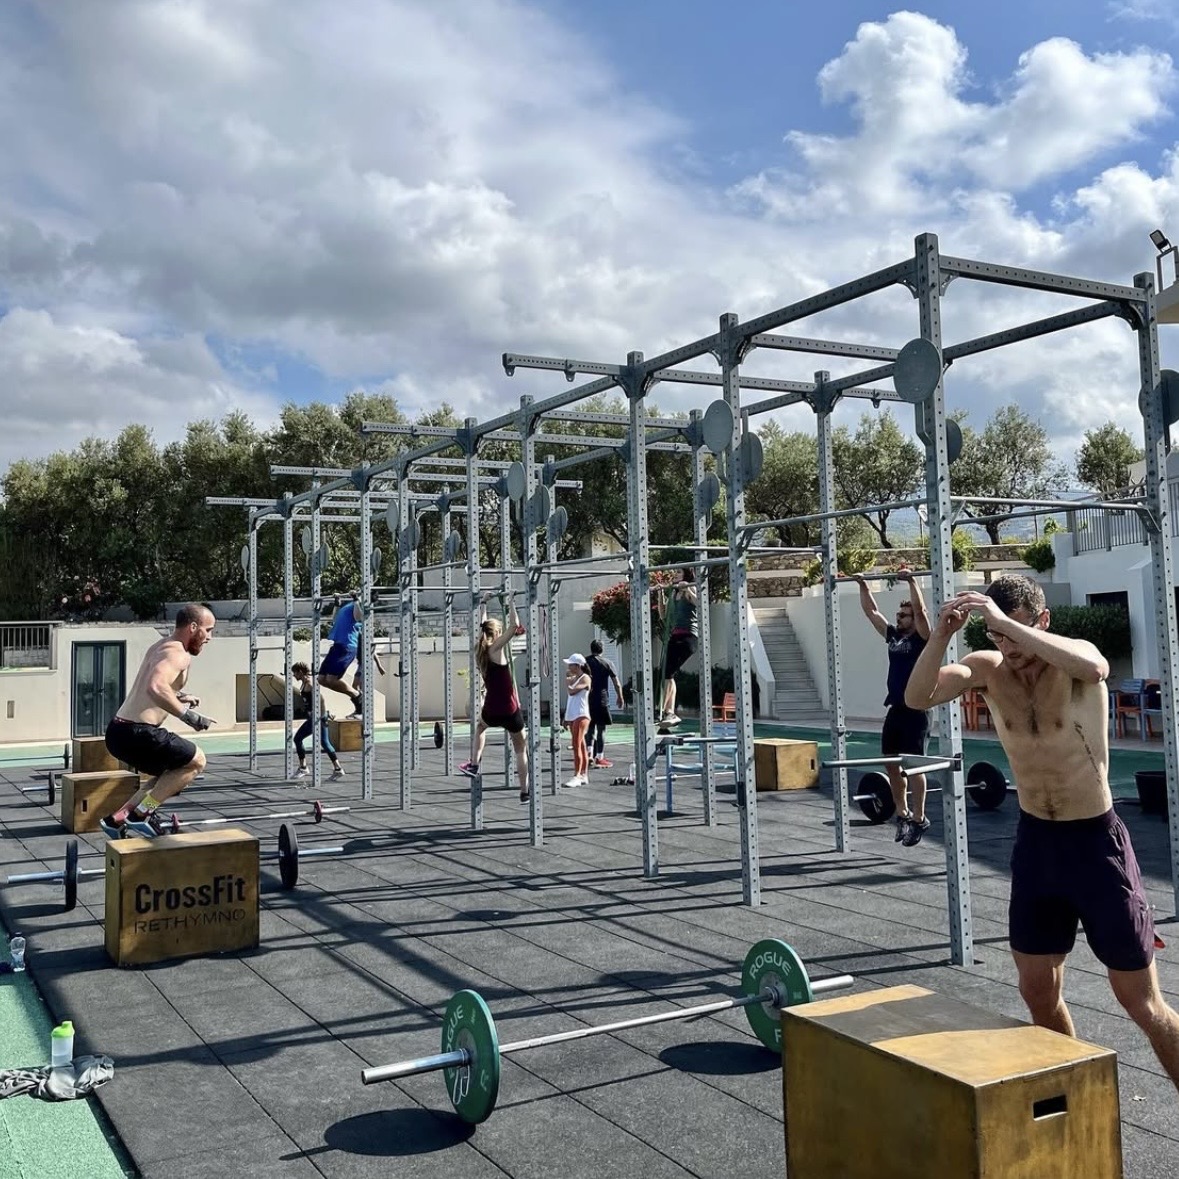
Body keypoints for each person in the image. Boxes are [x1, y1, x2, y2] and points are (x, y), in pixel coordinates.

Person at [905, 574, 1179, 1091]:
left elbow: (1095, 667)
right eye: (997, 636)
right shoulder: (989, 669)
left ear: (1042, 621)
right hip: (1037, 845)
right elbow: (919, 697)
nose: (1008, 647)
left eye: (1014, 632)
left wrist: (1006, 623)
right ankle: (1077, 1103)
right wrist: (940, 635)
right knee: (1037, 993)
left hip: (1095, 844)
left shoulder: (1074, 663)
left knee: (1141, 1003)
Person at [99, 603, 217, 839]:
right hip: (138, 732)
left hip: (118, 731)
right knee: (196, 761)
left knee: (170, 775)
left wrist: (181, 695)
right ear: (193, 627)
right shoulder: (178, 654)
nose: (209, 638)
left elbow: (153, 686)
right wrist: (188, 715)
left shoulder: (161, 646)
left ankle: (117, 819)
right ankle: (143, 813)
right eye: (208, 630)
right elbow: (155, 687)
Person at [855, 569, 932, 846]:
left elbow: (921, 611)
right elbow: (871, 612)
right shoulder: (893, 637)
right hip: (896, 709)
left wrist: (912, 581)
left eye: (904, 616)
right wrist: (863, 584)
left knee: (914, 767)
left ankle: (920, 818)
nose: (899, 618)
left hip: (917, 710)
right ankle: (903, 814)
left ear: (913, 620)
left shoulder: (922, 638)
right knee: (891, 764)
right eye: (898, 615)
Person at [462, 597, 530, 802]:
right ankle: (525, 791)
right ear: (497, 633)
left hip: (491, 709)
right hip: (509, 709)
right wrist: (512, 601)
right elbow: (515, 626)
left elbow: (481, 625)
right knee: (521, 749)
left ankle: (474, 763)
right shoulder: (495, 649)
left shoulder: (480, 649)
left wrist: (483, 603)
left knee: (480, 728)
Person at [655, 569, 698, 726]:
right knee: (666, 673)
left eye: (679, 572)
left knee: (668, 673)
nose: (675, 575)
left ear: (686, 574)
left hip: (688, 636)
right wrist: (660, 594)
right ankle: (668, 712)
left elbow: (699, 604)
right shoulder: (673, 593)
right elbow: (663, 615)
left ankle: (667, 711)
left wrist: (687, 589)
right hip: (675, 636)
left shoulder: (690, 588)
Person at [291, 662, 345, 782]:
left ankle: (303, 768)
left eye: (294, 673)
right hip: (318, 717)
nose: (294, 676)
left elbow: (321, 699)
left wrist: (321, 714)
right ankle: (338, 769)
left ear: (300, 672)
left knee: (298, 739)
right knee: (324, 743)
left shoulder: (310, 684)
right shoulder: (305, 683)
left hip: (317, 718)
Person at [318, 594, 364, 716]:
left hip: (347, 646)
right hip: (337, 645)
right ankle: (356, 695)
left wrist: (356, 599)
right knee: (321, 679)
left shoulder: (360, 605)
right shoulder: (347, 606)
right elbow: (334, 619)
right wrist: (337, 603)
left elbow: (358, 617)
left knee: (331, 679)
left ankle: (357, 696)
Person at [585, 639, 624, 768]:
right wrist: (620, 697)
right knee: (601, 730)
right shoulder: (607, 663)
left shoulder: (585, 662)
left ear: (591, 648)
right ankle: (599, 757)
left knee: (590, 728)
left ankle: (589, 754)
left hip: (588, 700)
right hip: (602, 700)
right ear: (602, 649)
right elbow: (616, 683)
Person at [562, 653, 592, 788]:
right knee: (581, 745)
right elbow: (571, 699)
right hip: (573, 715)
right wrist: (566, 717)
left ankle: (577, 775)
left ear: (578, 666)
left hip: (581, 715)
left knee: (576, 745)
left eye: (571, 664)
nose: (569, 667)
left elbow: (571, 691)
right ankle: (584, 774)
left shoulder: (585, 678)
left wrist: (568, 680)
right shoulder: (575, 678)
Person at [350, 642, 387, 718]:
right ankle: (360, 710)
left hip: (366, 665)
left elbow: (372, 653)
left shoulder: (365, 639)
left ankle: (363, 711)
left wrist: (379, 666)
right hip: (360, 665)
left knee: (360, 687)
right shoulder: (358, 639)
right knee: (354, 687)